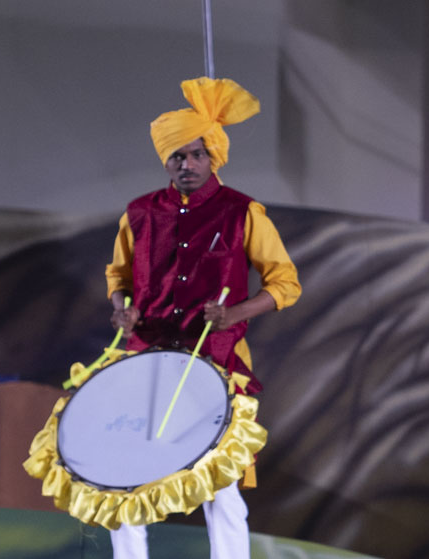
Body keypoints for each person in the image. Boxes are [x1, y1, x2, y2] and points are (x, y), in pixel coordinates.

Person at [104, 77, 302, 559]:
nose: (186, 164)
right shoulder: (140, 214)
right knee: (122, 475)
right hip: (146, 359)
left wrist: (233, 311)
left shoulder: (242, 213)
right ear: (165, 160)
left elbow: (285, 284)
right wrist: (122, 308)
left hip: (216, 360)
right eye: (177, 156)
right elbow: (119, 273)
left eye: (195, 154)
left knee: (219, 481)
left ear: (212, 155)